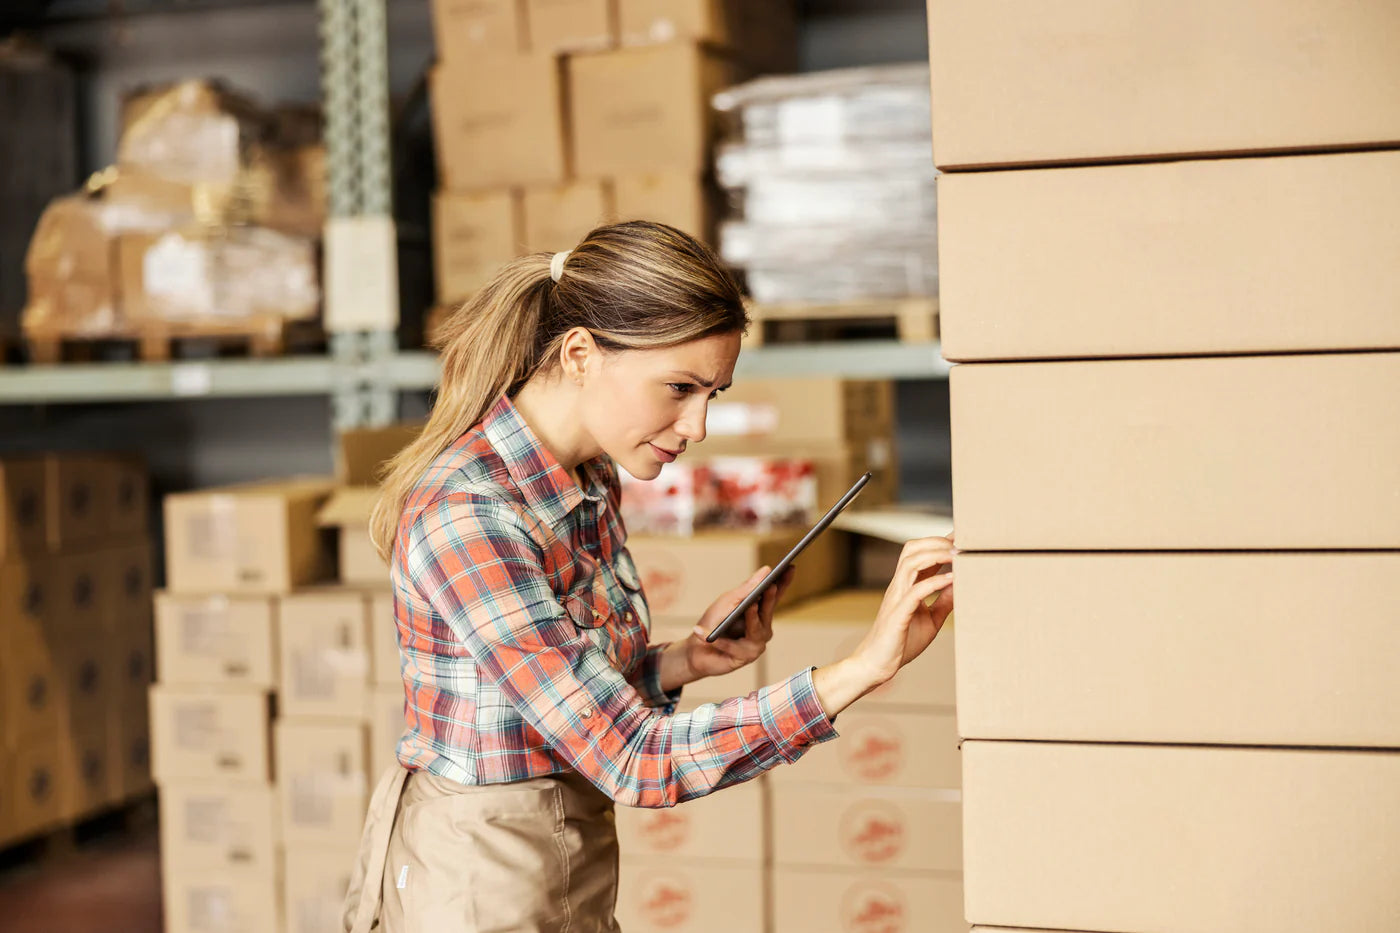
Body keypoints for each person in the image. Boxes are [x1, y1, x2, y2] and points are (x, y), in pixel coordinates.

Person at [341, 221, 955, 933]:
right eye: (678, 387)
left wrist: (679, 662)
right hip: (479, 882)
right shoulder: (471, 517)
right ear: (579, 354)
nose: (695, 424)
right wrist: (859, 669)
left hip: (557, 860)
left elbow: (556, 701)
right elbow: (633, 757)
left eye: (712, 394)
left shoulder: (590, 474)